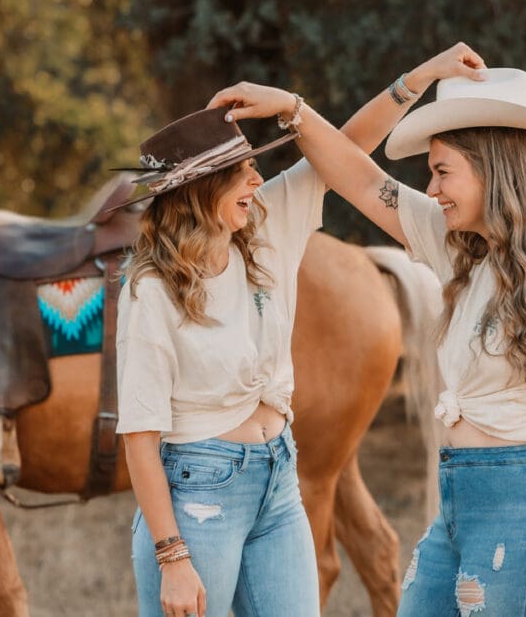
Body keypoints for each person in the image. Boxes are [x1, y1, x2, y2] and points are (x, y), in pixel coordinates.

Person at [207, 48, 526, 616]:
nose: (432, 190)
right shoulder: (460, 248)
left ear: (492, 168)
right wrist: (293, 108)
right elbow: (361, 180)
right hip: (458, 497)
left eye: (442, 172)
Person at [114, 46, 489, 617]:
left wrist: (420, 76)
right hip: (198, 495)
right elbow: (139, 436)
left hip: (279, 479)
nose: (256, 178)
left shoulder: (267, 225)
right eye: (240, 171)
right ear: (199, 191)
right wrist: (172, 555)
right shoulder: (151, 291)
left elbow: (344, 149)